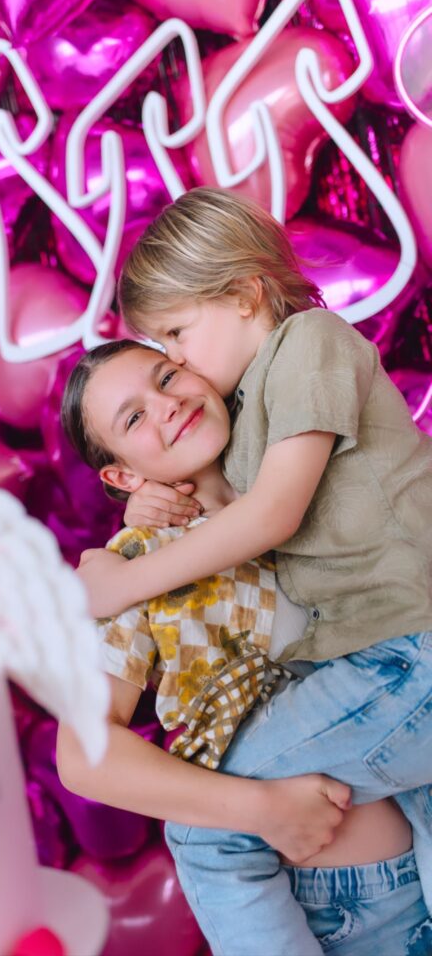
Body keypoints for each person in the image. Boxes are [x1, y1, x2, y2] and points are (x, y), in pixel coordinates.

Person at [73, 187, 432, 955]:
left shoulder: (307, 344)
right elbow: (233, 506)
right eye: (135, 414)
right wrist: (143, 517)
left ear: (243, 294)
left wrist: (127, 576)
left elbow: (272, 513)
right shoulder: (240, 428)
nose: (176, 367)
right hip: (391, 676)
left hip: (409, 651)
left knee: (203, 832)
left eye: (174, 343)